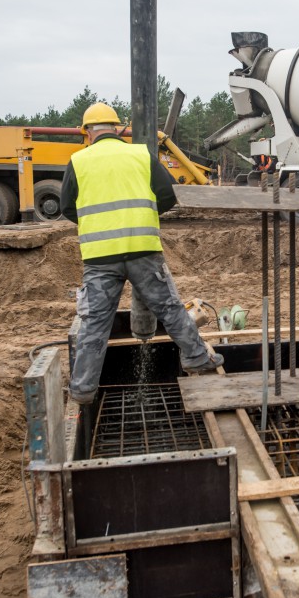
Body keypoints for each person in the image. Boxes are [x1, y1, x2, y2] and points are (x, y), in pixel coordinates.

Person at [61, 102, 224, 405]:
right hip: (143, 249)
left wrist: (97, 224)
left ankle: (83, 389)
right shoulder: (139, 154)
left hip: (99, 256)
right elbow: (167, 194)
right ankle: (195, 357)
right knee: (170, 309)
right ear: (117, 128)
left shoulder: (78, 160)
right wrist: (144, 215)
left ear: (87, 132)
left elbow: (67, 207)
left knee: (95, 322)